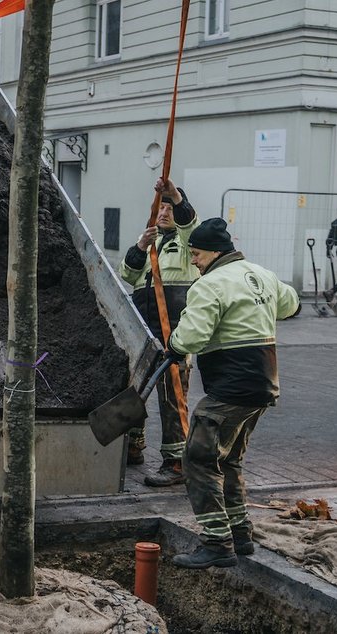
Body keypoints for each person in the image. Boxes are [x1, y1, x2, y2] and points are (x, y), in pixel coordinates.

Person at [165, 218, 299, 569]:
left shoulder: (208, 285)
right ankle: (240, 534)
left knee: (197, 459)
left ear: (213, 252)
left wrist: (173, 344)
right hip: (263, 385)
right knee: (228, 459)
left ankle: (216, 543)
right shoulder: (262, 274)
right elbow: (292, 305)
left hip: (230, 387)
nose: (193, 261)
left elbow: (191, 338)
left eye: (196, 254)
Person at [118, 177, 199, 487]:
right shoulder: (150, 240)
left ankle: (177, 463)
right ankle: (134, 445)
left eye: (169, 208)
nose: (164, 212)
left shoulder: (188, 242)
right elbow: (128, 274)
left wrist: (175, 195)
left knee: (172, 395)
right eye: (160, 208)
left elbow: (189, 221)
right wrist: (140, 246)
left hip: (174, 333)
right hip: (145, 333)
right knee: (134, 389)